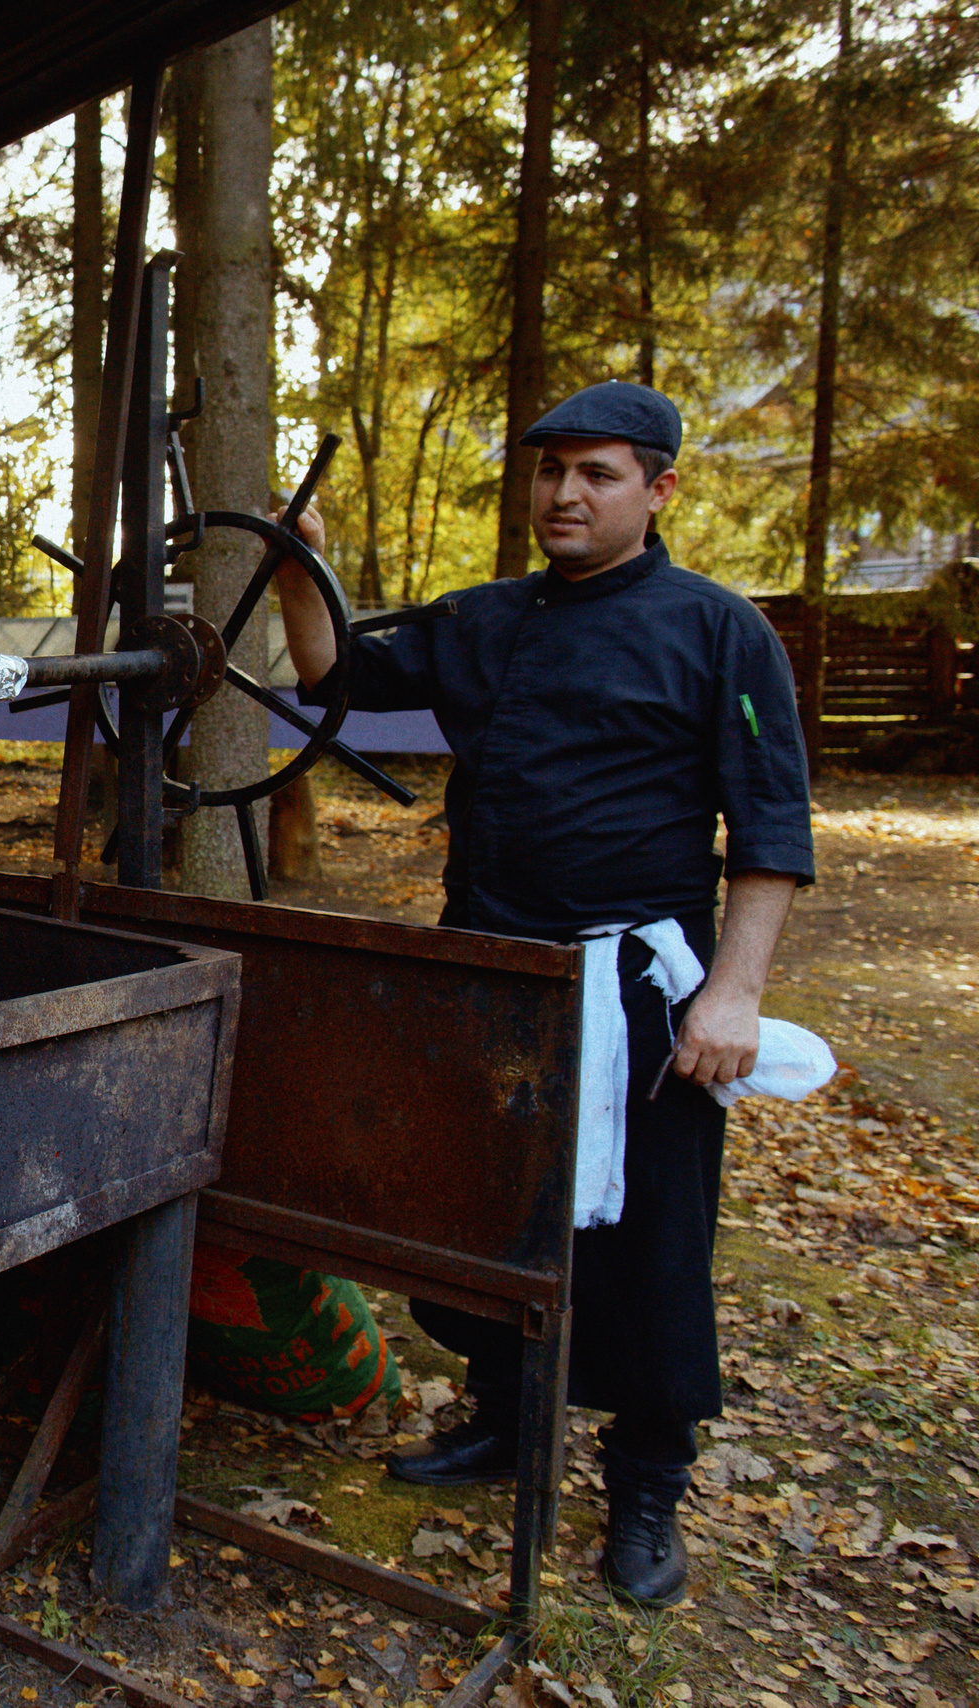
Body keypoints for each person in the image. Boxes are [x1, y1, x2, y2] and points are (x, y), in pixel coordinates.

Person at [272, 380, 814, 1608]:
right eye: (549, 470)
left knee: (651, 1242)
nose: (565, 494)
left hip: (638, 987)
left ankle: (645, 1483)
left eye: (596, 473)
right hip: (490, 970)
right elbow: (328, 672)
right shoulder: (484, 619)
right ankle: (506, 1420)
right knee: (486, 1206)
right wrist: (304, 564)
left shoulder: (719, 630)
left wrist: (732, 994)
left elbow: (771, 827)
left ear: (658, 489)